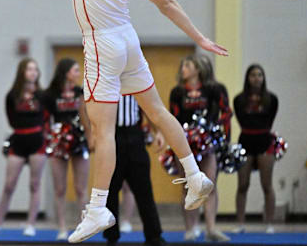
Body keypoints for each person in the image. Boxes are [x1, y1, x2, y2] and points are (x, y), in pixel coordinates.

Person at [0, 0, 228, 243]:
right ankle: (194, 174)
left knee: (101, 131)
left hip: (102, 43)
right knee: (155, 110)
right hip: (128, 39)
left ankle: (98, 208)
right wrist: (199, 38)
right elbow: (166, 2)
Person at [169, 55, 231, 242]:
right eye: (183, 65)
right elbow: (172, 118)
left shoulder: (214, 89)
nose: (183, 69)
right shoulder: (178, 92)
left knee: (209, 185)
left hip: (208, 143)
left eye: (187, 65)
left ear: (198, 68)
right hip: (184, 143)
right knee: (188, 187)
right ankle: (191, 228)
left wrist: (224, 137)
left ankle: (211, 228)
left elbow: (226, 113)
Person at [0, 58, 47, 237]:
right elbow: (11, 119)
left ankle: (30, 224)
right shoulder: (12, 95)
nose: (33, 72)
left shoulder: (42, 95)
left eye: (35, 69)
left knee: (35, 184)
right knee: (9, 184)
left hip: (37, 141)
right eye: (29, 69)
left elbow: (46, 117)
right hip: (19, 139)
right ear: (22, 72)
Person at [103, 95, 166, 246]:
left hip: (135, 137)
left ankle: (154, 235)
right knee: (110, 191)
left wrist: (158, 131)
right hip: (113, 137)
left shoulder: (136, 79)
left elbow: (149, 107)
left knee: (144, 189)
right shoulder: (108, 79)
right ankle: (111, 236)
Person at [40, 58, 91, 239]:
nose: (78, 74)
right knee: (60, 188)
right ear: (66, 72)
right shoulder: (50, 94)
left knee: (80, 188)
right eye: (76, 70)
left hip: (79, 138)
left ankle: (83, 226)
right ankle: (61, 227)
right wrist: (47, 140)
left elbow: (85, 116)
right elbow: (44, 119)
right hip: (58, 140)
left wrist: (90, 138)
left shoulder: (80, 92)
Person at [233, 64, 279, 234]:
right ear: (248, 78)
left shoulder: (271, 99)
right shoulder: (239, 100)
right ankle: (240, 223)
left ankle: (269, 223)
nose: (256, 78)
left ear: (263, 78)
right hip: (245, 140)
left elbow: (270, 120)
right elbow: (240, 119)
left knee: (267, 184)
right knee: (243, 184)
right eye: (253, 75)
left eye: (260, 75)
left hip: (265, 141)